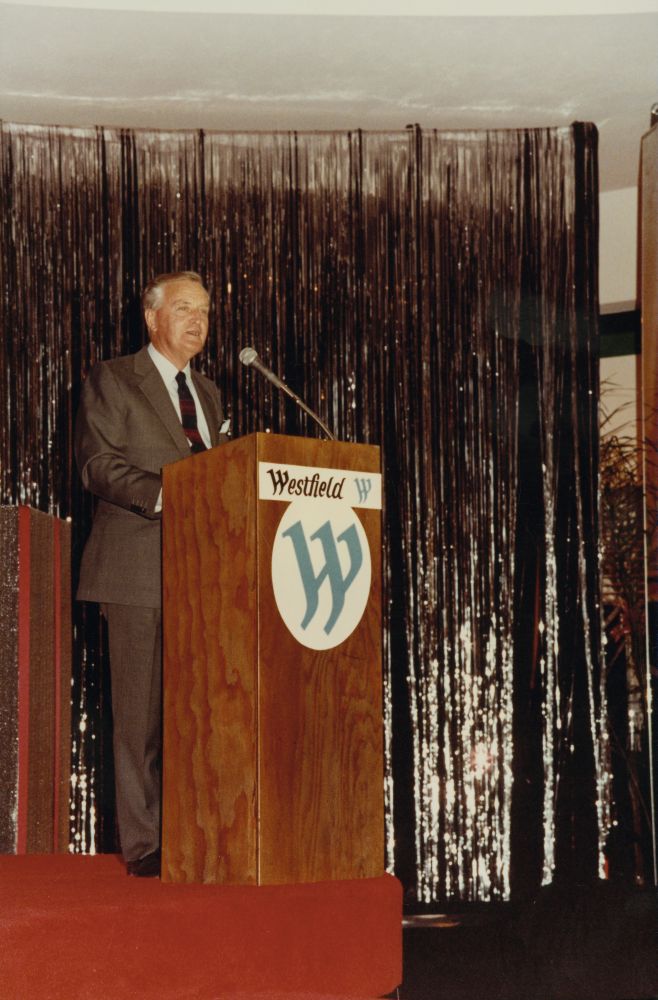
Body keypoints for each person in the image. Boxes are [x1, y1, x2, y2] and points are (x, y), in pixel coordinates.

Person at [75, 271, 226, 877]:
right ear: (151, 318)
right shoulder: (113, 378)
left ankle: (193, 833)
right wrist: (175, 494)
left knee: (194, 712)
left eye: (206, 312)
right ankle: (144, 845)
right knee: (138, 718)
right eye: (184, 308)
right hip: (135, 568)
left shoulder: (210, 392)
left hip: (205, 576)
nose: (197, 320)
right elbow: (97, 465)